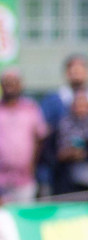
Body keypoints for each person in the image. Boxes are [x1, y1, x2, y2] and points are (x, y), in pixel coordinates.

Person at [0, 69, 47, 204]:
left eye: (14, 82)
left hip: (25, 180)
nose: (10, 86)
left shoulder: (31, 108)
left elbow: (40, 138)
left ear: (21, 85)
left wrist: (33, 165)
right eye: (7, 82)